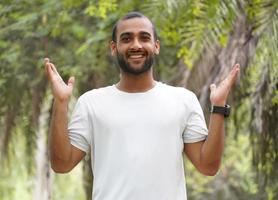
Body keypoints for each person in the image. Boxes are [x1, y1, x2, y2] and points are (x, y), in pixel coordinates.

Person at [45, 12, 240, 200]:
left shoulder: (183, 100)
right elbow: (62, 164)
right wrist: (61, 103)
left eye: (144, 38)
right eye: (127, 39)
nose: (136, 45)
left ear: (156, 46)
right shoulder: (91, 103)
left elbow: (208, 166)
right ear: (114, 48)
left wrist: (219, 107)